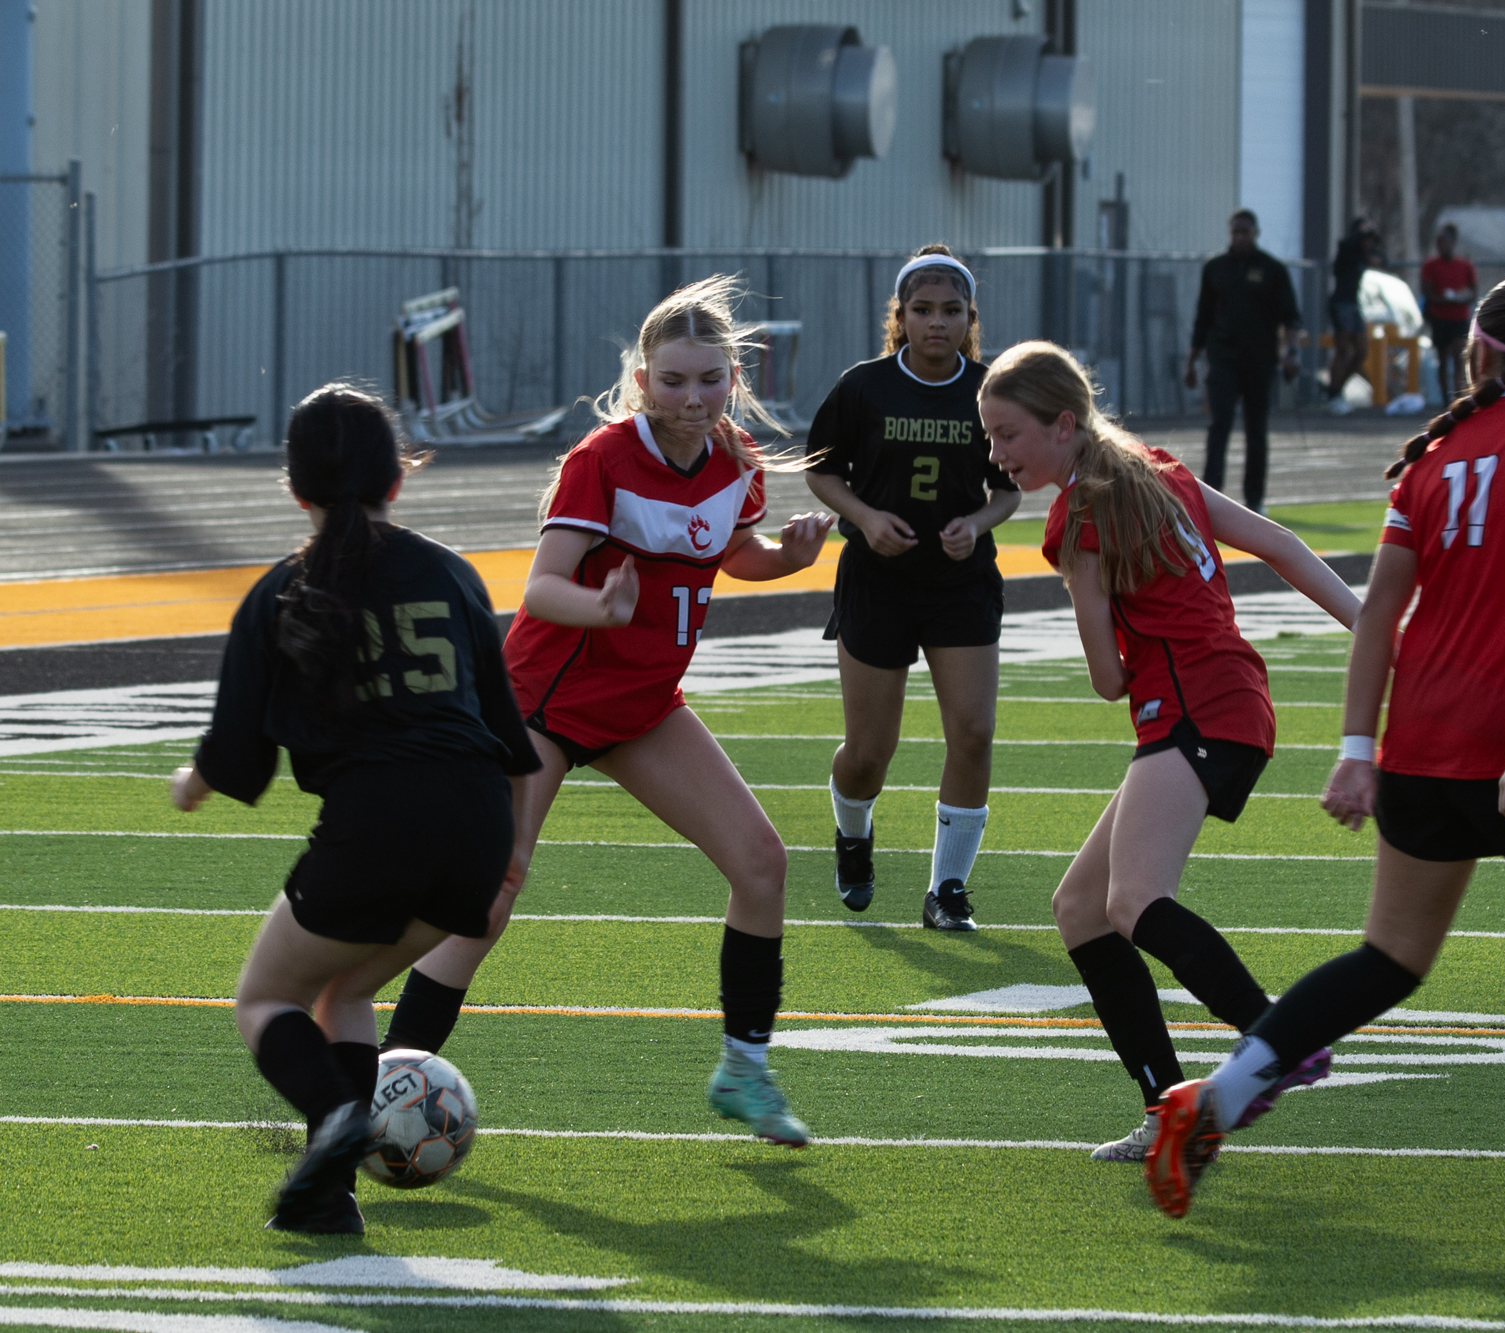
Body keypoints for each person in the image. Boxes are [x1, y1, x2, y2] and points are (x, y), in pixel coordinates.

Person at [1142, 279, 1505, 1234]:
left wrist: (1355, 748)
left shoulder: (1434, 457)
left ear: (1474, 359)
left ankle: (1212, 1098)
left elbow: (1379, 611)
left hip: (1420, 747)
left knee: (1389, 959)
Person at [376, 275, 836, 1147]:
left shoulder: (736, 459)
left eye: (709, 379)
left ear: (734, 376)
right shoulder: (602, 460)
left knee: (762, 863)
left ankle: (744, 1070)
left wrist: (789, 557)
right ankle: (383, 1069)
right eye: (674, 380)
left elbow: (734, 554)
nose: (693, 398)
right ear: (641, 380)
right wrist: (604, 608)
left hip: (642, 705)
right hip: (543, 705)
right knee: (492, 893)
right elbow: (543, 590)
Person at [173, 383, 542, 1234]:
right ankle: (328, 1195)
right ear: (399, 480)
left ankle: (342, 1121)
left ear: (295, 489)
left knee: (266, 1000)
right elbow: (509, 731)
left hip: (378, 823)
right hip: (479, 822)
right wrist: (513, 852)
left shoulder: (281, 590)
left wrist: (188, 785)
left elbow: (233, 758)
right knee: (344, 988)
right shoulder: (452, 570)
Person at [980, 341, 1362, 1163]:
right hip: (1232, 700)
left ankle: (1274, 1040)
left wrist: (1097, 600)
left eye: (1008, 435)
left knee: (1134, 902)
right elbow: (1281, 545)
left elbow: (1109, 680)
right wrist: (1372, 634)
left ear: (1063, 424)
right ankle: (1164, 1108)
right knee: (1081, 909)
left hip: (1187, 707)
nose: (997, 453)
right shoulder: (1161, 470)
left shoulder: (1077, 517)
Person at [805, 246, 1020, 931]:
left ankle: (948, 888)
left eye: (951, 310)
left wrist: (977, 522)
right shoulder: (864, 386)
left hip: (959, 582)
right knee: (869, 752)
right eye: (922, 310)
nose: (937, 322)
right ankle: (853, 831)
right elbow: (821, 471)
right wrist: (864, 518)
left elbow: (1008, 489)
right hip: (878, 581)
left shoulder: (994, 391)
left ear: (970, 317)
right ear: (900, 316)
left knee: (975, 731)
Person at [1184, 209, 1303, 513]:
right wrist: (1192, 361)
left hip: (1259, 361)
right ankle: (1210, 497)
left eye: (1245, 232)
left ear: (1256, 233)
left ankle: (1254, 499)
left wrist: (1291, 352)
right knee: (1218, 426)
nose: (1239, 237)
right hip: (1222, 359)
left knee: (1256, 430)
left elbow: (1290, 317)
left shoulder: (1272, 270)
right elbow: (1203, 317)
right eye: (1235, 232)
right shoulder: (1215, 268)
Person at [1325, 217, 1382, 414]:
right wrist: (1362, 232)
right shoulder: (1347, 248)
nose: (1369, 243)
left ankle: (1336, 388)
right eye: (1366, 238)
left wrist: (1372, 237)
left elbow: (1383, 258)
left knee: (1361, 351)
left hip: (1354, 304)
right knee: (1343, 352)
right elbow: (1348, 242)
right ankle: (1333, 395)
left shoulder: (1365, 253)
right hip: (1340, 303)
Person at [1419, 224, 1477, 401]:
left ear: (1453, 243)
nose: (1441, 246)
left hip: (1459, 317)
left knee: (1460, 357)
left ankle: (1459, 397)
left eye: (1444, 242)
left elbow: (1473, 290)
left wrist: (1461, 297)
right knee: (1442, 359)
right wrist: (1443, 300)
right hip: (1439, 317)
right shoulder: (1430, 265)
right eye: (1438, 242)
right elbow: (1427, 291)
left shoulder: (1465, 265)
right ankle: (1445, 399)